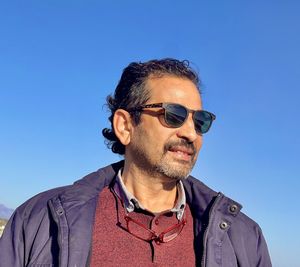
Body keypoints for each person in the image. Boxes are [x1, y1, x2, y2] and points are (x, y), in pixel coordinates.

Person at [0, 58, 272, 267]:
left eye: (200, 121)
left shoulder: (245, 239)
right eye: (173, 115)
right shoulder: (39, 220)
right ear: (125, 125)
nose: (191, 133)